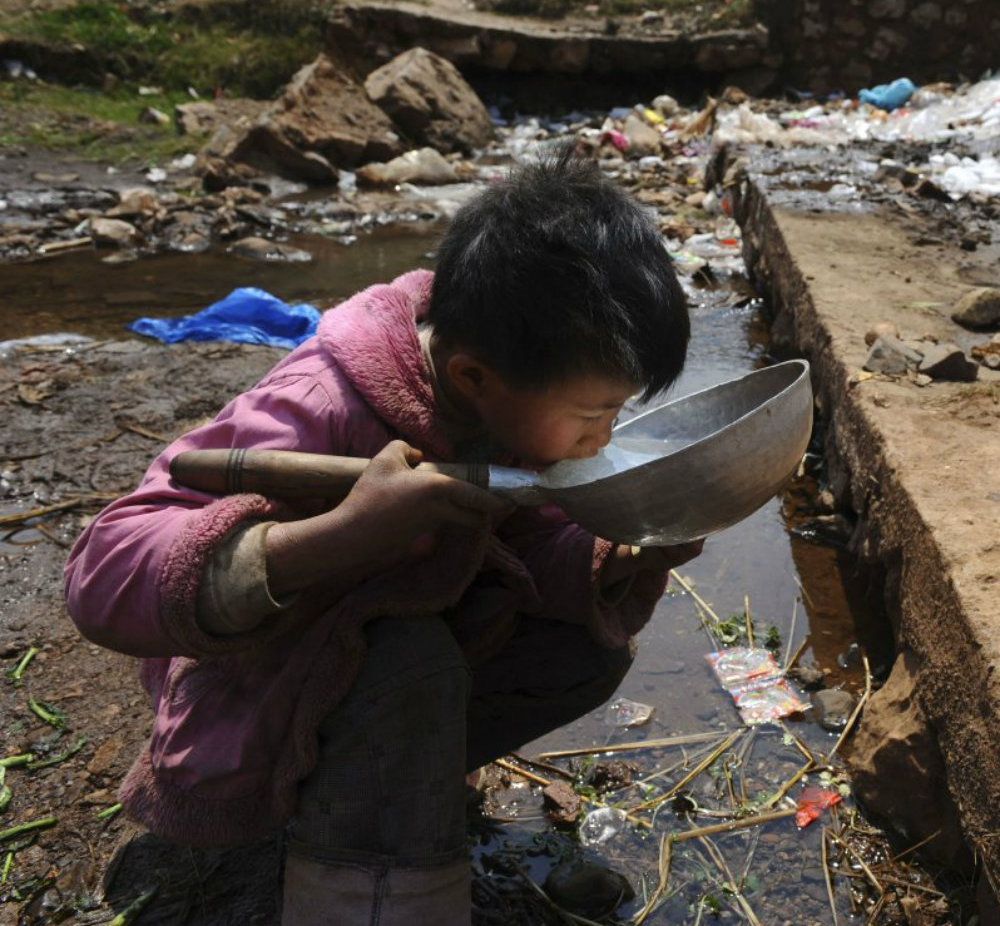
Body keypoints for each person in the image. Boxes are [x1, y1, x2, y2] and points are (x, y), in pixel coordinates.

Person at [64, 148, 703, 925]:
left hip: (380, 673)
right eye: (593, 415)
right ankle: (353, 876)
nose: (603, 441)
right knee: (411, 662)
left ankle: (391, 789)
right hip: (262, 689)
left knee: (585, 650)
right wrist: (343, 534)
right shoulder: (323, 400)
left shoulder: (507, 399)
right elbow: (102, 568)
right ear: (472, 377)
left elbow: (530, 540)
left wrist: (618, 554)